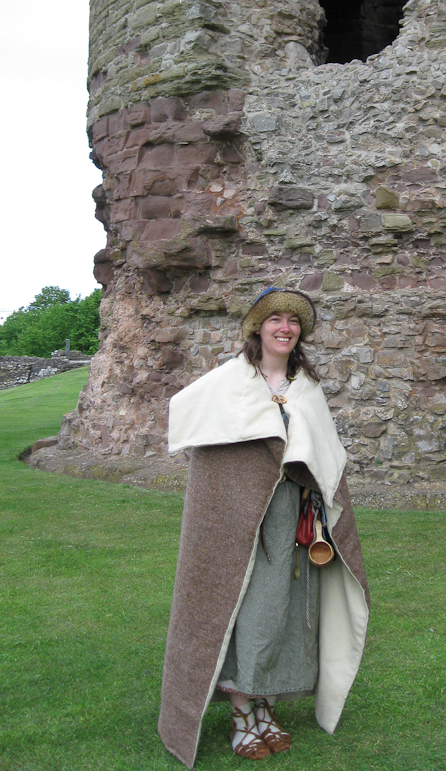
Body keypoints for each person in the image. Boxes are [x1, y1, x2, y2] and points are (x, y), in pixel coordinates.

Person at [158, 287, 369, 768]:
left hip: (292, 521)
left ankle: (266, 709)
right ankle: (240, 716)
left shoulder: (306, 389)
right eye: (275, 319)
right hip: (237, 526)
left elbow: (324, 457)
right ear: (258, 328)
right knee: (240, 610)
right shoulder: (228, 383)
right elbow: (197, 435)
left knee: (285, 610)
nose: (285, 328)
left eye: (293, 322)